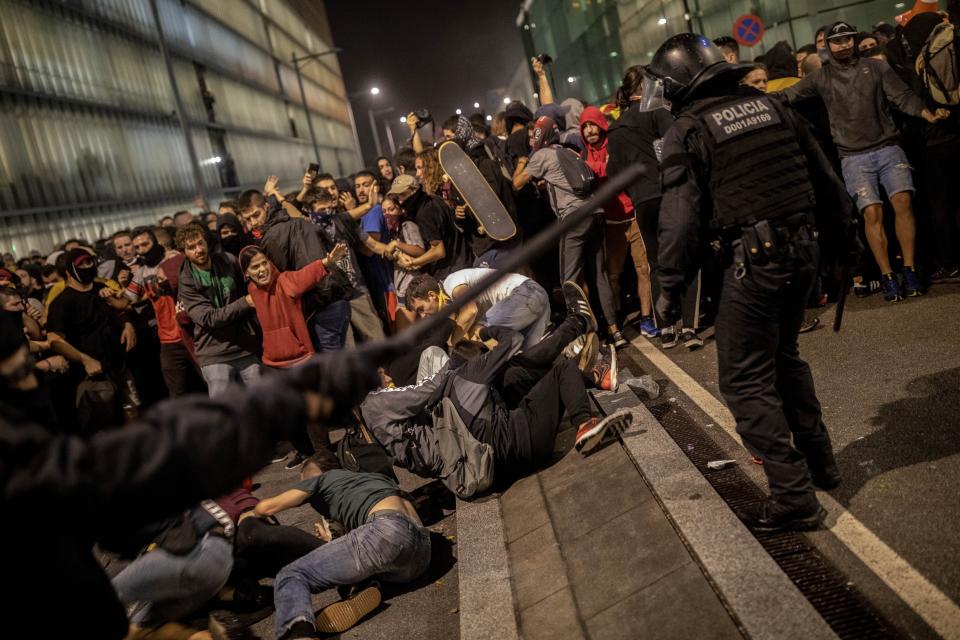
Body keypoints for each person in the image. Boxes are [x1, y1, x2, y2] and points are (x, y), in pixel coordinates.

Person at [0, 307, 406, 640]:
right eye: (20, 374)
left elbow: (115, 499)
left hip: (206, 549)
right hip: (205, 551)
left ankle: (240, 618)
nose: (36, 377)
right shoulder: (279, 498)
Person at [643, 33, 859, 532]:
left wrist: (669, 288)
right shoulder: (770, 107)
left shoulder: (688, 128)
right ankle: (820, 464)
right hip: (801, 251)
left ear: (680, 83)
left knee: (744, 380)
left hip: (754, 261)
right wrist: (844, 246)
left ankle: (793, 497)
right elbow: (826, 181)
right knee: (784, 358)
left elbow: (679, 220)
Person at [778, 21, 949, 301]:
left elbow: (902, 96)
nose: (844, 45)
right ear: (828, 46)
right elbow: (786, 96)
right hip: (853, 157)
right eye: (837, 41)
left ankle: (908, 269)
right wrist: (752, 101)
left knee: (903, 202)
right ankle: (887, 275)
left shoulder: (877, 68)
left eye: (848, 39)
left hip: (889, 147)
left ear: (855, 41)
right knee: (872, 214)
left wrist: (925, 112)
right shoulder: (820, 78)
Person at [257, 464, 431, 639]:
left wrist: (248, 512)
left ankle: (299, 634)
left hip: (386, 531)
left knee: (291, 575)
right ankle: (367, 589)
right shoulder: (371, 478)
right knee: (369, 563)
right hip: (421, 554)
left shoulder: (321, 478)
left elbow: (266, 508)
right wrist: (329, 539)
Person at [513, 115, 626, 349]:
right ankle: (615, 331)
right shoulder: (568, 152)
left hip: (574, 218)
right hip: (596, 212)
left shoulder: (541, 156)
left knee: (568, 280)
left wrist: (523, 161)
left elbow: (517, 183)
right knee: (600, 274)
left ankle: (579, 335)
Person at [608, 65, 677, 341]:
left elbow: (614, 175)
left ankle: (666, 325)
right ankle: (687, 324)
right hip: (667, 192)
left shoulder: (615, 127)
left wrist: (636, 187)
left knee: (655, 262)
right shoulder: (656, 111)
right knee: (679, 254)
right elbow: (675, 143)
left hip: (641, 201)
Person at [239, 188, 353, 353]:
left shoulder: (271, 237)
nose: (253, 222)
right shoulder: (300, 221)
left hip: (319, 305)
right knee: (340, 361)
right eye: (248, 219)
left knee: (333, 369)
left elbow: (278, 281)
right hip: (338, 297)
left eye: (256, 215)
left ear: (266, 207)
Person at [580, 104, 659, 338]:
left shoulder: (614, 143)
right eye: (585, 127)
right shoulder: (584, 153)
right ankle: (616, 318)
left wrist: (592, 169)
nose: (590, 131)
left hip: (633, 214)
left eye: (593, 124)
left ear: (602, 124)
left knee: (643, 269)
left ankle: (646, 318)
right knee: (612, 275)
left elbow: (611, 169)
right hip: (611, 222)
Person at [45, 248, 141, 430]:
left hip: (119, 364)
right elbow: (54, 339)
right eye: (81, 264)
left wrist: (128, 325)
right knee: (102, 421)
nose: (87, 266)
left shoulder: (101, 288)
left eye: (89, 262)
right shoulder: (61, 302)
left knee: (133, 409)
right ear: (69, 271)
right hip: (91, 374)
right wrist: (84, 359)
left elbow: (123, 306)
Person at [176, 224, 261, 396]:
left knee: (263, 401)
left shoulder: (227, 260)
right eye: (191, 247)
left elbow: (247, 285)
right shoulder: (186, 281)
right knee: (224, 411)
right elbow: (208, 318)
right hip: (214, 352)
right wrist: (245, 302)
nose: (198, 250)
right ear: (184, 252)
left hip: (245, 345)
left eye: (200, 243)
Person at [123, 227, 203, 398]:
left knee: (211, 381)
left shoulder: (176, 259)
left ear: (156, 243)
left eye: (145, 244)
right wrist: (109, 293)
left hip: (191, 331)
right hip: (167, 338)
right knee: (176, 392)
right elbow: (128, 300)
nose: (142, 250)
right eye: (137, 247)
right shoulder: (142, 272)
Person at [239, 245, 346, 369]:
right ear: (246, 273)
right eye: (255, 267)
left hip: (301, 358)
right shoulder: (252, 290)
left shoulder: (284, 281)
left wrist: (326, 262)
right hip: (272, 362)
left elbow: (305, 275)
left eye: (264, 263)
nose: (262, 269)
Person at [405, 269, 552, 350]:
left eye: (421, 309)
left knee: (478, 334)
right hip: (538, 296)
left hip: (526, 292)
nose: (423, 316)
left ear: (432, 296)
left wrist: (452, 343)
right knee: (531, 358)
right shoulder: (450, 302)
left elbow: (470, 310)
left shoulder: (451, 283)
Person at [388, 174, 471, 278]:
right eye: (397, 196)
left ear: (413, 190)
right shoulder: (434, 199)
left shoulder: (423, 213)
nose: (400, 201)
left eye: (402, 194)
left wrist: (414, 262)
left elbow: (439, 250)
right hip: (463, 261)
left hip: (453, 272)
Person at [354, 169, 397, 328]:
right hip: (379, 282)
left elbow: (369, 248)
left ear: (375, 187)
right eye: (357, 186)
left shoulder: (373, 211)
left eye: (365, 185)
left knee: (394, 327)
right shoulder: (364, 211)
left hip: (384, 283)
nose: (361, 190)